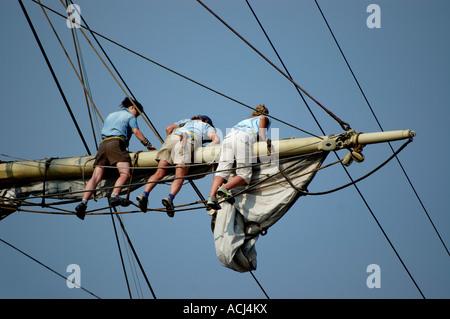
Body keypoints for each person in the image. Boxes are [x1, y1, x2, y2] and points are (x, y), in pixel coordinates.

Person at [75, 97, 155, 220]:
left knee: (95, 177)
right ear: (132, 107)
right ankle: (115, 195)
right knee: (125, 174)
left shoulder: (111, 115)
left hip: (103, 146)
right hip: (116, 144)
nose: (136, 116)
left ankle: (83, 203)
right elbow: (136, 131)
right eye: (137, 113)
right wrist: (148, 145)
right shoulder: (130, 117)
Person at [136, 115, 220, 217]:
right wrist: (210, 146)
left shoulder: (185, 121)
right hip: (187, 141)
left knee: (160, 172)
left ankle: (144, 194)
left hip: (172, 139)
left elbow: (168, 129)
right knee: (179, 176)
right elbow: (215, 139)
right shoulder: (206, 125)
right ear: (206, 121)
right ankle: (169, 198)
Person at [206, 104, 270, 210]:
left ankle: (212, 197)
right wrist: (264, 142)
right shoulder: (263, 118)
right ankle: (225, 188)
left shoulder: (245, 121)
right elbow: (263, 128)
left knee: (222, 171)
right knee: (245, 174)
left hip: (228, 138)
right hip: (243, 138)